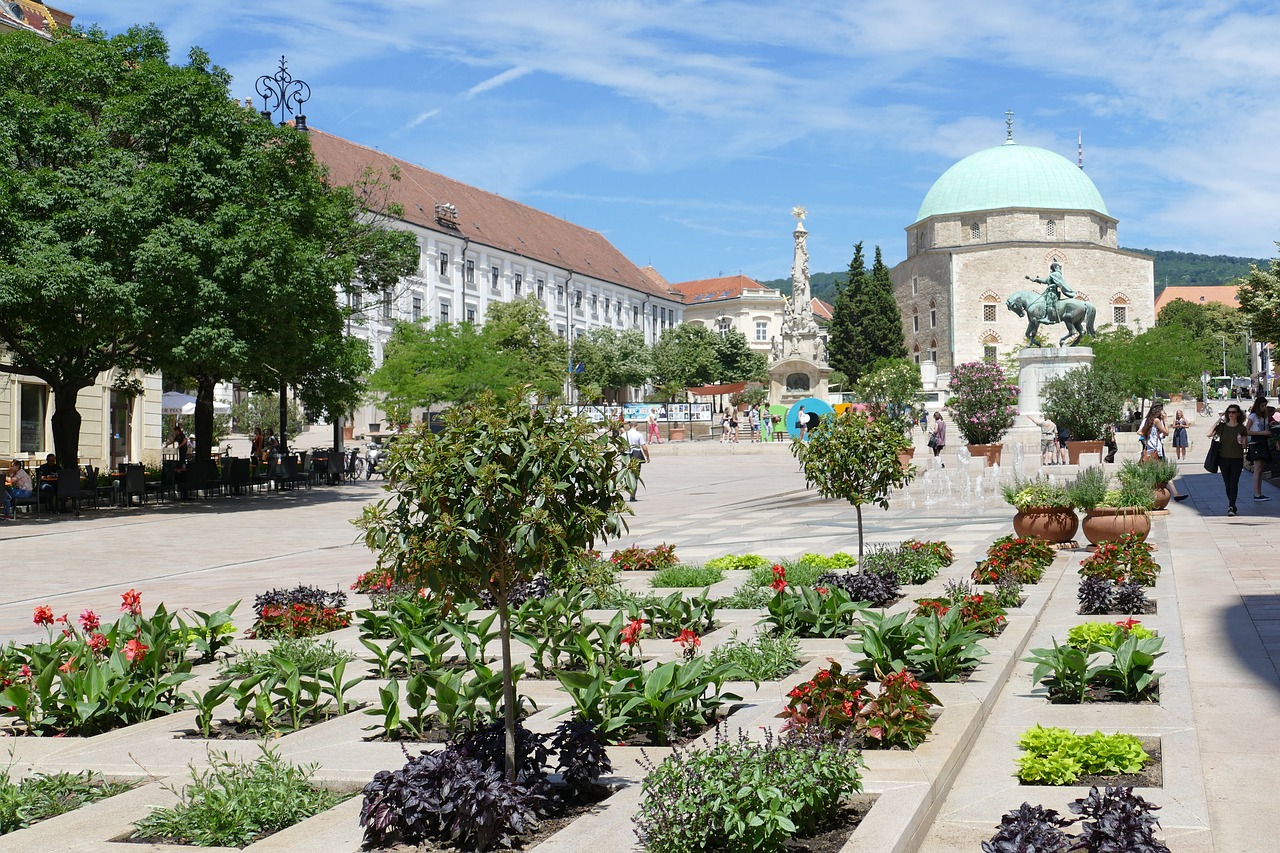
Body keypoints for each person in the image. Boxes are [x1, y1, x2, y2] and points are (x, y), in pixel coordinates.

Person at [1210, 403, 1248, 516]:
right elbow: (1208, 434)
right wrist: (1218, 421)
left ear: (1238, 414)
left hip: (1237, 459)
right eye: (1229, 412)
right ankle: (1233, 504)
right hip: (1223, 459)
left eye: (1234, 412)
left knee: (1234, 483)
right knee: (1227, 483)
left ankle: (1231, 506)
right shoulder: (1222, 427)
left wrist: (1241, 441)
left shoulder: (1242, 428)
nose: (1231, 414)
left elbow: (1245, 446)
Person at [1246, 395, 1272, 502]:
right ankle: (1256, 493)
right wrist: (1262, 433)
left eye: (1265, 406)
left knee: (1261, 468)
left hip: (1263, 441)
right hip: (1255, 442)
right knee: (1257, 468)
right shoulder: (1253, 416)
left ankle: (1260, 492)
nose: (1263, 407)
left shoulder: (1264, 417)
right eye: (1262, 405)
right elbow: (1246, 430)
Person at [623, 420, 650, 501]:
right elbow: (644, 447)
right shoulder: (638, 435)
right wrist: (647, 456)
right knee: (635, 476)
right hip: (636, 455)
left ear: (629, 426)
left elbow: (620, 446)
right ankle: (632, 495)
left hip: (626, 455)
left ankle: (627, 488)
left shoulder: (624, 434)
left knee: (626, 474)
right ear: (636, 426)